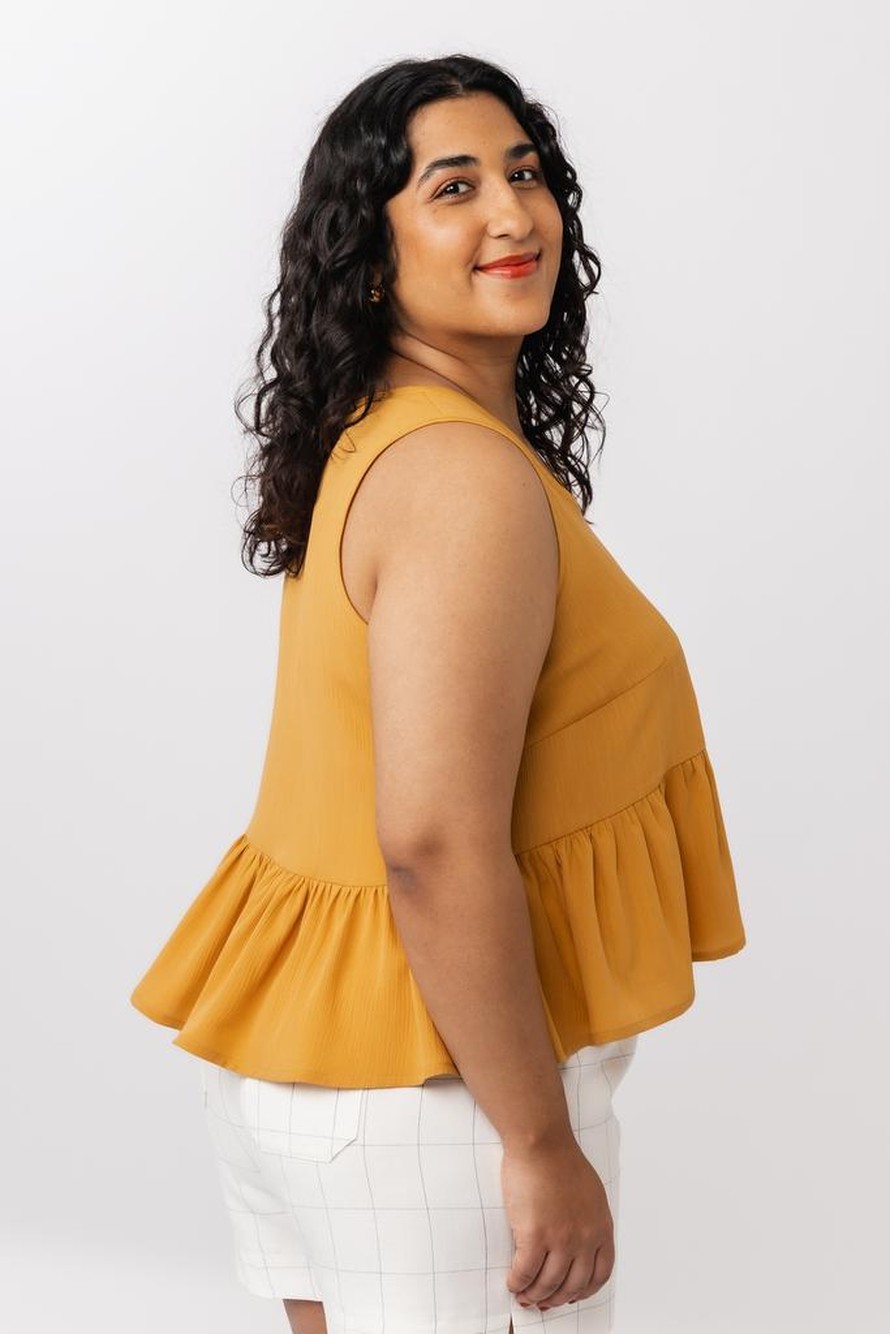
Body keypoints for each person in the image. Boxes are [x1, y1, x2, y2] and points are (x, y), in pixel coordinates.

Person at [129, 53, 747, 1334]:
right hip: (438, 1096)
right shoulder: (460, 480)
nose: (512, 214)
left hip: (328, 1067)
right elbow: (429, 838)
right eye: (452, 188)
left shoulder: (381, 436)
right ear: (372, 255)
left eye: (523, 173)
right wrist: (537, 1139)